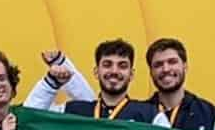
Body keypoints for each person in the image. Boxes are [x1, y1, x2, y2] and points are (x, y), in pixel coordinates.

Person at [23, 41, 157, 122]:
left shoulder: (150, 115)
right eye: (107, 65)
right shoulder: (73, 111)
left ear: (131, 74)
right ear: (96, 72)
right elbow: (28, 118)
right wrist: (51, 83)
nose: (114, 71)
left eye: (122, 66)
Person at [144, 38, 215, 130]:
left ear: (185, 66)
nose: (165, 69)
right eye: (158, 65)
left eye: (172, 62)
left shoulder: (209, 114)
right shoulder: (140, 116)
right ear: (151, 72)